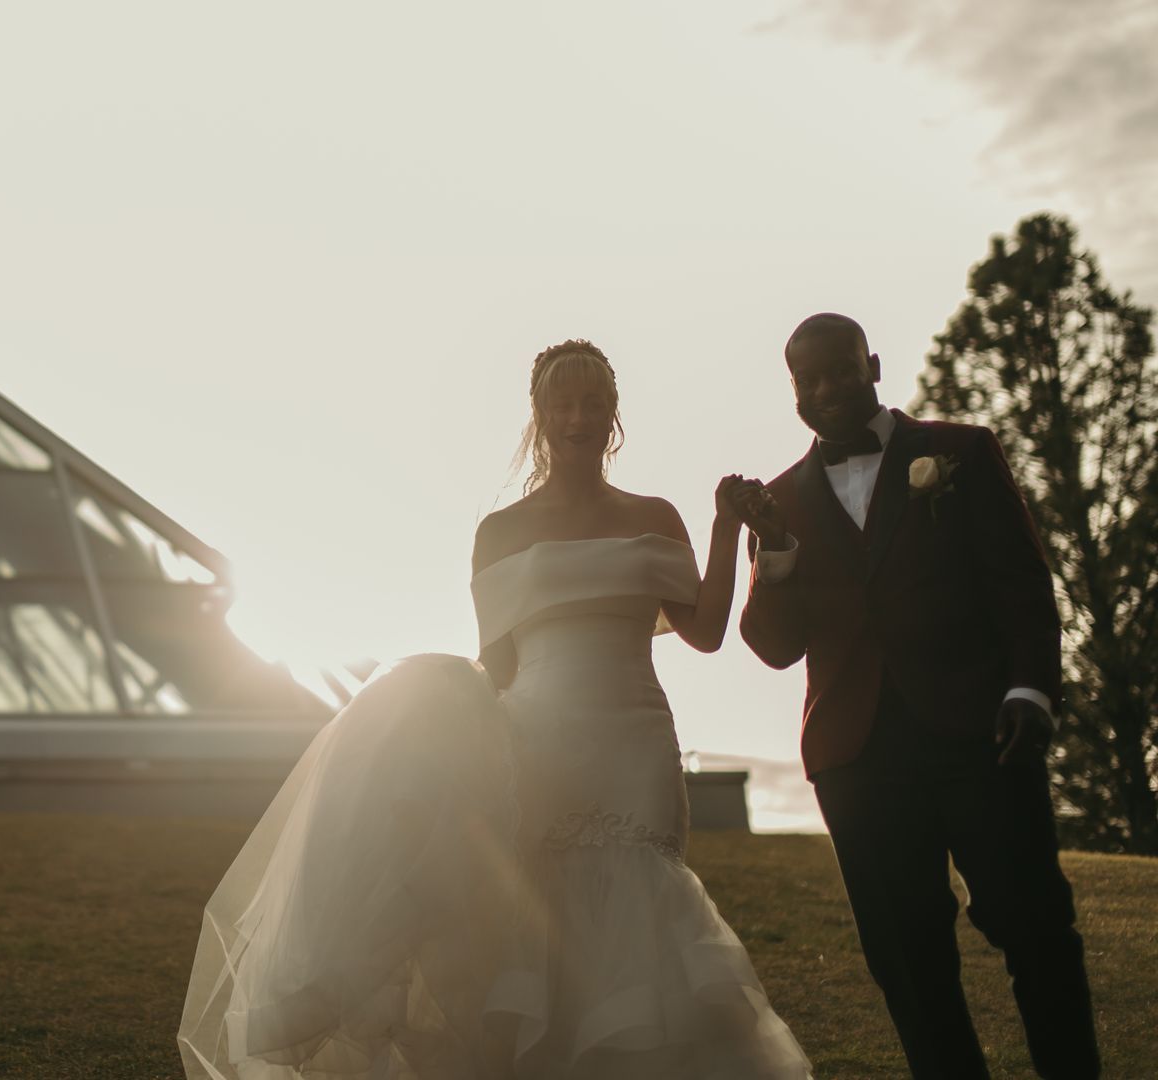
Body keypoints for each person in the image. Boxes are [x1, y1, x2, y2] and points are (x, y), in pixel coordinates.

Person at [178, 340, 810, 1079]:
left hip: (635, 742)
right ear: (540, 416)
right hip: (539, 742)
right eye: (562, 403)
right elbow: (500, 668)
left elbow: (703, 631)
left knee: (643, 907)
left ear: (614, 416)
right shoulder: (501, 532)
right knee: (536, 912)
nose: (579, 416)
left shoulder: (656, 516)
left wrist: (726, 528)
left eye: (594, 402)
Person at [730, 312, 1100, 1079]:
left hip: (982, 733)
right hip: (856, 763)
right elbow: (771, 646)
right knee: (908, 962)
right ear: (794, 394)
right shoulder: (776, 503)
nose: (828, 388)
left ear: (872, 364)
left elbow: (1022, 585)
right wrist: (775, 548)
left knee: (1036, 930)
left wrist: (1031, 690)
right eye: (810, 379)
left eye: (840, 369)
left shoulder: (960, 452)